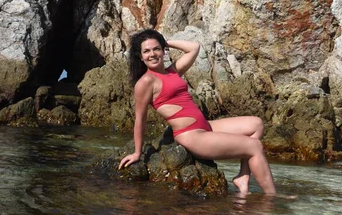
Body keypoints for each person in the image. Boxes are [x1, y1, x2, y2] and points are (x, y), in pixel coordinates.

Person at [118, 29, 276, 195]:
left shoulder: (172, 71)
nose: (152, 54)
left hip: (206, 126)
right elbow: (140, 120)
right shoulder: (146, 82)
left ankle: (243, 176)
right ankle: (272, 198)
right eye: (146, 51)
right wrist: (137, 152)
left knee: (256, 124)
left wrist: (165, 41)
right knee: (254, 146)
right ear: (140, 56)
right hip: (192, 136)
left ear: (164, 50)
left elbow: (194, 47)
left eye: (156, 49)